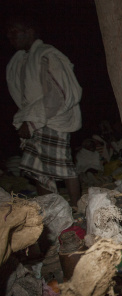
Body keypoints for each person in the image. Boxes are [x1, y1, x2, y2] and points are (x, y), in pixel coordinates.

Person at [6, 13, 82, 207]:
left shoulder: (47, 55)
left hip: (54, 118)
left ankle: (76, 208)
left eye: (15, 32)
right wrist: (29, 120)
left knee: (63, 167)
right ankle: (51, 209)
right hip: (35, 119)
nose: (10, 37)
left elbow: (57, 95)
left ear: (29, 32)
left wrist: (32, 121)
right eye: (9, 33)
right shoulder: (20, 61)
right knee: (39, 171)